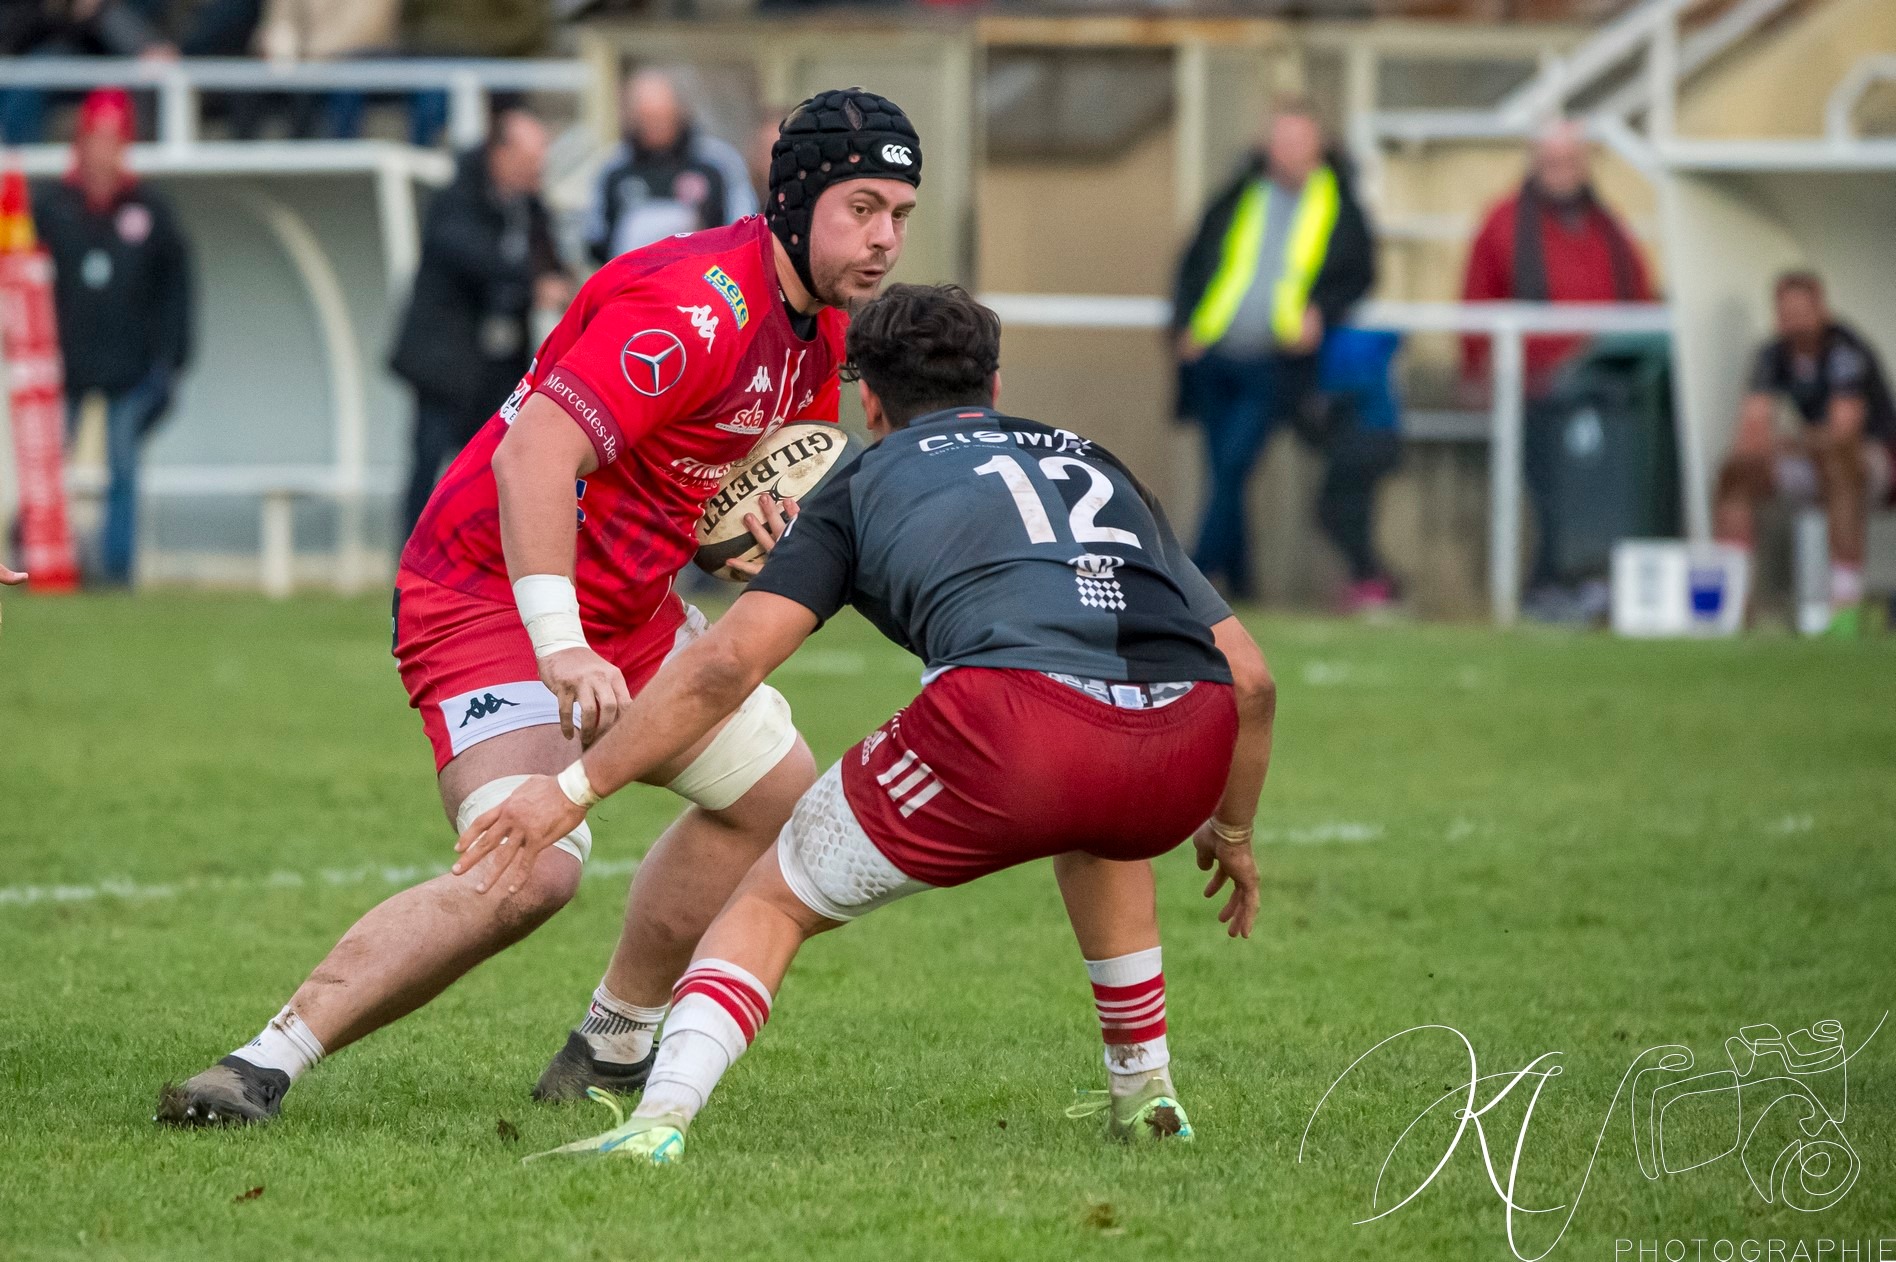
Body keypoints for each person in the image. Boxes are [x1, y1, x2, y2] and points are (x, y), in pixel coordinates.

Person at [153, 89, 924, 1128]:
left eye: (900, 214)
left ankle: (610, 1041)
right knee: (533, 868)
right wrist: (560, 646)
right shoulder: (694, 303)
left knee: (779, 799)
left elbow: (731, 489)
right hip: (484, 591)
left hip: (629, 608)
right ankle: (260, 1062)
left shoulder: (821, 333)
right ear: (796, 200)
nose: (883, 239)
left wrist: (756, 532)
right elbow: (535, 452)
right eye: (862, 207)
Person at [456, 284, 1277, 1164]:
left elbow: (729, 664)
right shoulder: (1098, 460)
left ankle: (660, 1118)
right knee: (1107, 822)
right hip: (1187, 733)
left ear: (870, 401)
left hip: (1014, 724)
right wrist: (1231, 829)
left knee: (771, 898)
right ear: (993, 383)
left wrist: (578, 787)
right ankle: (1146, 1093)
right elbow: (1255, 681)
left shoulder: (864, 479)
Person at [1171, 99, 1380, 607]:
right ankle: (1242, 588)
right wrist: (1185, 324)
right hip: (1214, 358)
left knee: (1231, 470)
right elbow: (1195, 263)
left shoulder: (1341, 206)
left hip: (1274, 365)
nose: (1285, 152)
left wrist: (1321, 313)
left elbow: (1358, 275)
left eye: (1297, 141)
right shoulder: (1238, 196)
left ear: (1319, 146)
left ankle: (1191, 582)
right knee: (1224, 471)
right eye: (1278, 140)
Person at [1461, 119, 1654, 621]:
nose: (1562, 173)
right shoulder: (1503, 223)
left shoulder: (1609, 226)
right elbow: (1478, 300)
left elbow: (1639, 294)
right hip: (1533, 389)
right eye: (1552, 162)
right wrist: (1477, 370)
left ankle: (1587, 579)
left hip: (1604, 392)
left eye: (1571, 162)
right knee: (1549, 495)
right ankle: (1550, 583)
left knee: (1599, 493)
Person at [32, 88, 193, 588]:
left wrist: (173, 358)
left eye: (112, 139)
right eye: (94, 139)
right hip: (65, 366)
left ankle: (115, 573)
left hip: (130, 365)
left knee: (122, 468)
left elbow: (177, 286)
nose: (103, 150)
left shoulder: (150, 209)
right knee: (45, 462)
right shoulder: (51, 206)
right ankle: (45, 563)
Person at [389, 107, 569, 545]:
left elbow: (551, 262)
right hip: (445, 358)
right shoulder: (458, 197)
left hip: (503, 361)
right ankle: (412, 552)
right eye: (528, 161)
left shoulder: (531, 207)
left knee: (496, 461)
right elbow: (466, 253)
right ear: (500, 153)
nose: (535, 172)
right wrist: (533, 284)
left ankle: (483, 554)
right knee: (432, 457)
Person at [1714, 272, 1896, 636]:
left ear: (1821, 311)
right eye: (1787, 313)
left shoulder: (1845, 350)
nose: (1794, 323)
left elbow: (1844, 432)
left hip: (1876, 461)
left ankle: (1844, 607)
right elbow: (1753, 426)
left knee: (1839, 465)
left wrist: (1790, 441)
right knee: (1736, 472)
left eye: (1802, 312)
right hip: (1811, 459)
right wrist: (1760, 450)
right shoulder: (1772, 354)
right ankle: (1733, 604)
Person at [584, 71, 758, 266]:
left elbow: (743, 228)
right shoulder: (613, 168)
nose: (655, 127)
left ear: (679, 112)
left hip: (706, 281)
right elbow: (595, 237)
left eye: (662, 117)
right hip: (631, 285)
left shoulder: (718, 163)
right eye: (646, 118)